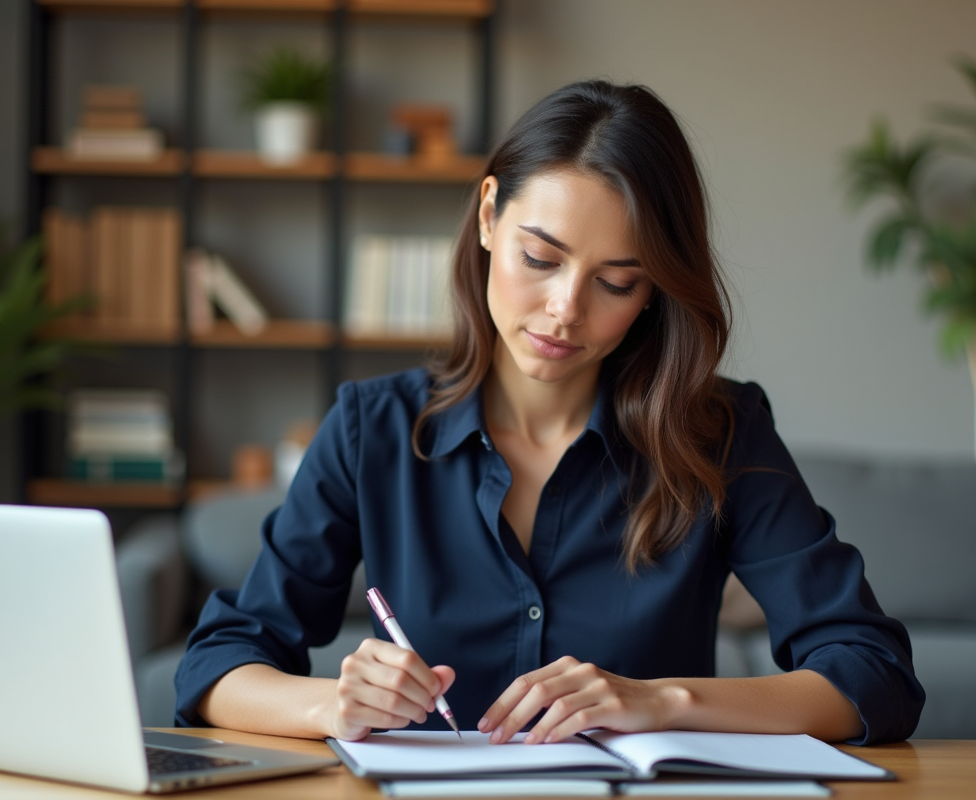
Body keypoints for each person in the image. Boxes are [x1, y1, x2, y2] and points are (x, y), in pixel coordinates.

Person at [174, 80, 924, 746]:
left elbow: (873, 673)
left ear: (654, 290)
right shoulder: (373, 428)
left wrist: (661, 702)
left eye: (617, 282)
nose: (565, 311)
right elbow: (217, 664)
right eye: (541, 259)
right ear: (491, 216)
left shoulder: (721, 433)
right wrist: (331, 706)